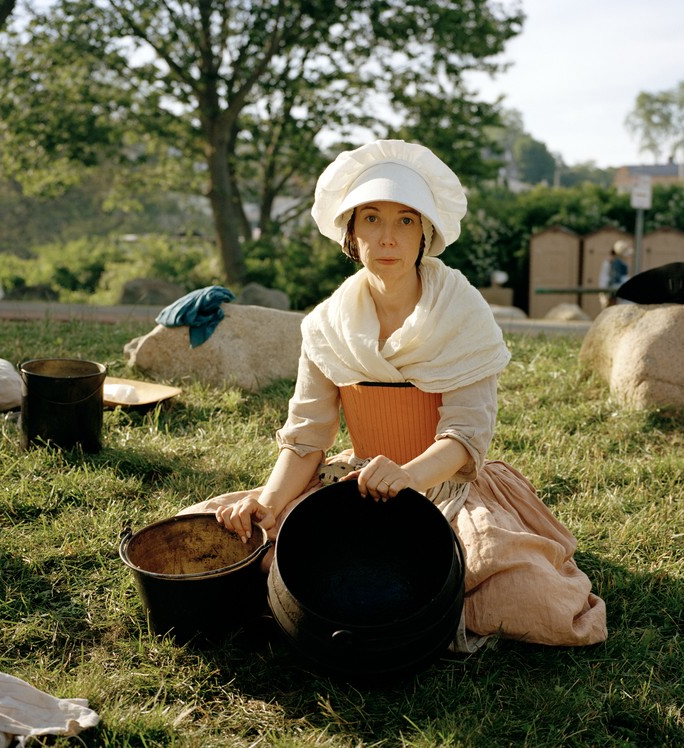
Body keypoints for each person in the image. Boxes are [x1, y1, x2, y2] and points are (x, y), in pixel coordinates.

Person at [181, 140, 607, 650]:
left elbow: (466, 436)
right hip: (357, 482)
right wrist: (269, 503)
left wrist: (408, 476)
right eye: (372, 220)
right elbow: (305, 440)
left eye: (406, 220)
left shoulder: (462, 314)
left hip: (446, 483)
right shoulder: (326, 325)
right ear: (351, 233)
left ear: (426, 232)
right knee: (218, 539)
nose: (389, 237)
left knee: (532, 596)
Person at [598, 239, 633, 308]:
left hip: (611, 289)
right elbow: (617, 279)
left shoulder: (613, 262)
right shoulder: (617, 263)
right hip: (614, 290)